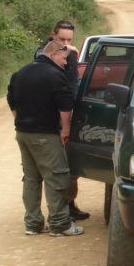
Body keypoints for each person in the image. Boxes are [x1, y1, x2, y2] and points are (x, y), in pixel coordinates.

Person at [7, 40, 84, 237]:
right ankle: (60, 224)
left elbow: (11, 101)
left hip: (23, 134)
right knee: (57, 176)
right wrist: (65, 129)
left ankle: (32, 224)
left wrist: (21, 122)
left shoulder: (20, 73)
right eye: (64, 58)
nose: (66, 63)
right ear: (53, 54)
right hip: (45, 135)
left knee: (31, 178)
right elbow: (65, 106)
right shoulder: (55, 76)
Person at [35, 20, 90, 222]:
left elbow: (73, 86)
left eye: (69, 39)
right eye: (61, 39)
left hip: (65, 114)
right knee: (50, 168)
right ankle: (56, 213)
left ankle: (68, 205)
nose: (65, 43)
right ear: (53, 35)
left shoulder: (72, 55)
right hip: (47, 118)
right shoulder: (43, 53)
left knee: (69, 165)